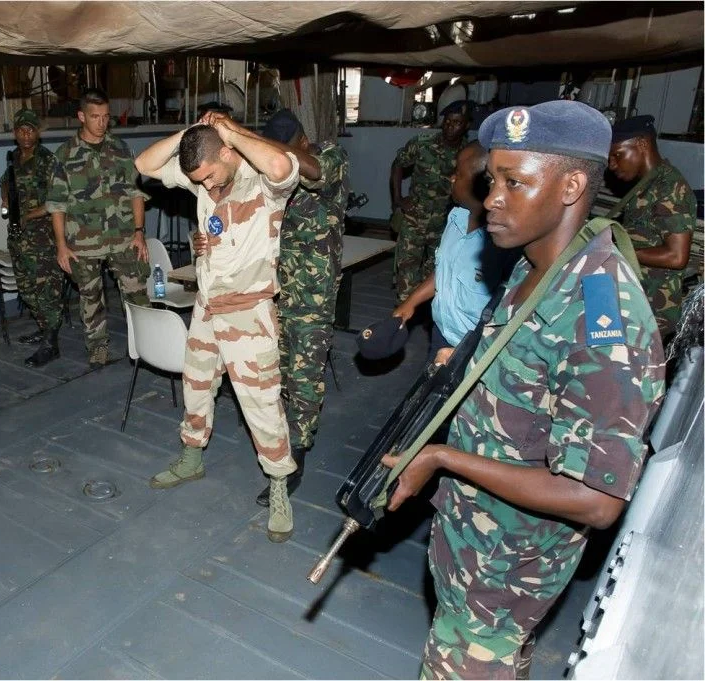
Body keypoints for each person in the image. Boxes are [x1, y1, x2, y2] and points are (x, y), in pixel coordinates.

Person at [382, 100, 666, 679]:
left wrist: (441, 458)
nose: (492, 198)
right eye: (492, 180)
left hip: (508, 570)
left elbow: (596, 499)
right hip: (474, 540)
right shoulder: (534, 265)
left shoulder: (602, 315)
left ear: (571, 186)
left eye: (515, 182)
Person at [135, 113, 300, 543]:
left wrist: (232, 132)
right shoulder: (204, 179)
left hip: (248, 313)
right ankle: (192, 458)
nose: (205, 186)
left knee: (261, 404)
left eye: (209, 176)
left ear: (227, 153)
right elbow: (144, 165)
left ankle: (279, 485)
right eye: (199, 181)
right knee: (196, 386)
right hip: (208, 308)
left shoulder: (262, 181)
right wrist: (190, 133)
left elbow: (282, 165)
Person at [191, 109, 349, 507]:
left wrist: (238, 133)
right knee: (271, 371)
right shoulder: (256, 169)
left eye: (284, 146)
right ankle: (275, 439)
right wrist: (207, 239)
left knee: (304, 374)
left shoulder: (329, 155)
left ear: (301, 141)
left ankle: (297, 453)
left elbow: (309, 170)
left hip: (310, 293)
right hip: (266, 290)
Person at [45, 87, 151, 367]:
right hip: (83, 241)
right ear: (81, 116)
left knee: (137, 293)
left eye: (106, 116)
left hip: (123, 236)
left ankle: (148, 345)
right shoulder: (65, 155)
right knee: (90, 298)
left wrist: (139, 233)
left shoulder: (121, 149)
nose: (102, 123)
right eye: (95, 117)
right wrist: (61, 246)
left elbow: (136, 194)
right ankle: (98, 348)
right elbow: (57, 205)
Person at [392, 140, 516, 364]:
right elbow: (444, 271)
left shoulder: (501, 243)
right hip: (442, 332)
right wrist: (411, 301)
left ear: (481, 184)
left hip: (478, 348)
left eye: (458, 174)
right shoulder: (456, 218)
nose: (451, 178)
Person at [608, 114, 696, 340]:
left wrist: (616, 251)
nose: (612, 164)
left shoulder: (670, 187)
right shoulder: (646, 184)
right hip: (635, 300)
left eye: (617, 155)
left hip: (654, 311)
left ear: (642, 144)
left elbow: (677, 257)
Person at [0, 109, 65, 367]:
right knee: (27, 289)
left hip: (43, 237)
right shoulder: (13, 159)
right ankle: (44, 328)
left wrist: (27, 215)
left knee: (47, 290)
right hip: (18, 237)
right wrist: (6, 199)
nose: (26, 135)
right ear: (15, 133)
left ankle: (51, 344)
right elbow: (5, 182)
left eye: (31, 130)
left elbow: (56, 200)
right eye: (21, 130)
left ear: (38, 132)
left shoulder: (48, 161)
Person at [390, 100, 470, 303]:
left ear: (466, 125)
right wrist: (398, 199)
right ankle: (404, 311)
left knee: (436, 273)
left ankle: (425, 312)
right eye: (448, 121)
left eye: (457, 123)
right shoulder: (422, 143)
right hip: (415, 218)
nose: (450, 127)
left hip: (444, 223)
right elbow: (398, 165)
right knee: (407, 271)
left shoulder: (468, 154)